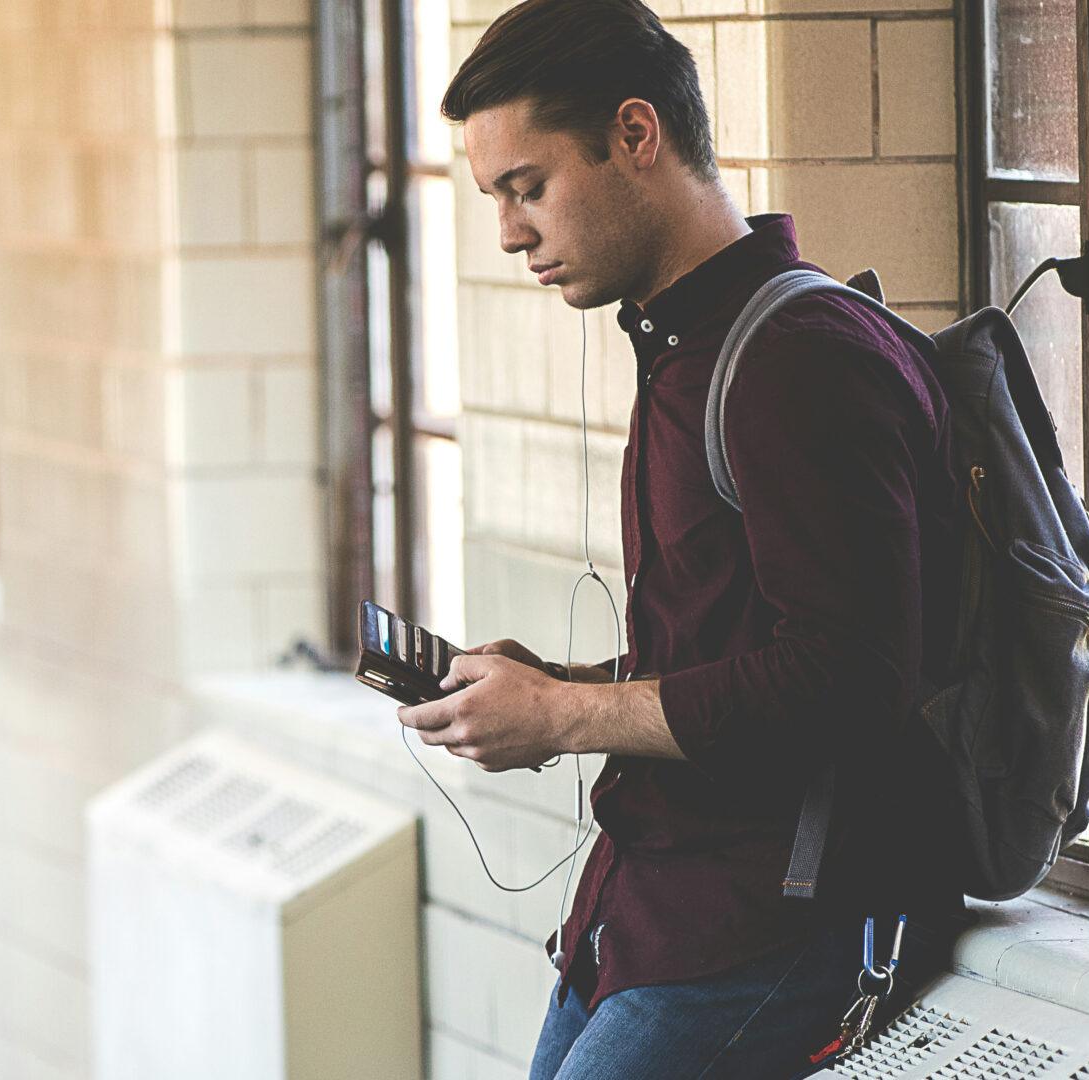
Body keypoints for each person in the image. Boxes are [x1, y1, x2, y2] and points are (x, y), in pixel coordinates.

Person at [393, 1, 970, 1076]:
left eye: (528, 187)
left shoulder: (797, 358)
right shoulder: (687, 350)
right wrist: (554, 686)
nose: (512, 233)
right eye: (496, 199)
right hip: (654, 910)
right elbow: (733, 659)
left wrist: (566, 715)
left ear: (635, 136)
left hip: (771, 926)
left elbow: (851, 676)